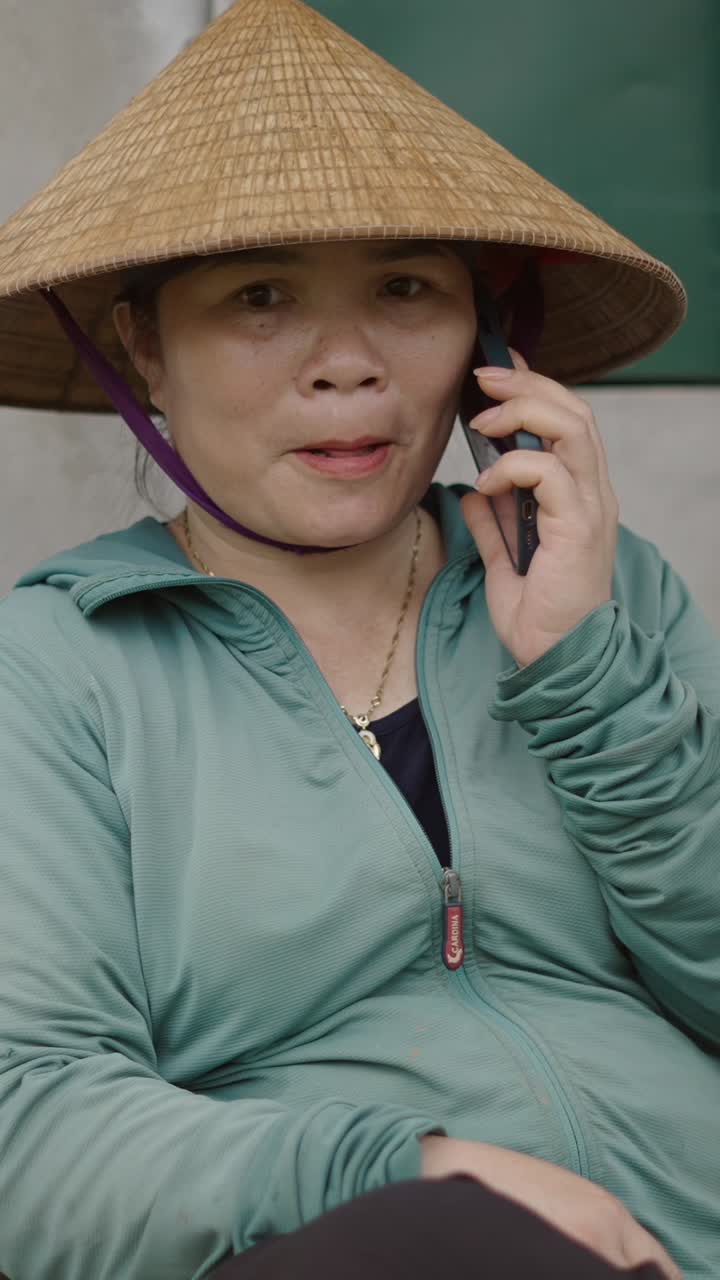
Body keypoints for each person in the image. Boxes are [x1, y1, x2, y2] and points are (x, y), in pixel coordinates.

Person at [0, 2, 716, 1278]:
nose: (348, 365)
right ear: (144, 351)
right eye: (261, 297)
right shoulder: (56, 670)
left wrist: (587, 674)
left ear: (490, 349)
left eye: (405, 288)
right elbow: (30, 1129)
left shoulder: (607, 591)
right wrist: (415, 1165)